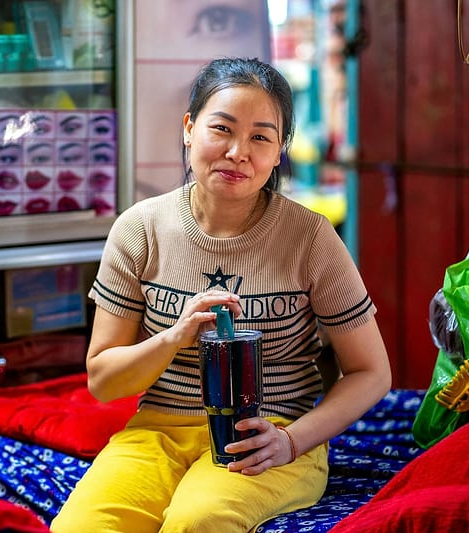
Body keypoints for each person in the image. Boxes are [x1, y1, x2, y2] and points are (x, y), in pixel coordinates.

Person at [50, 57, 391, 533]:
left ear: (279, 152)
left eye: (260, 137)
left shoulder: (310, 237)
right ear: (189, 129)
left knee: (199, 521)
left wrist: (291, 442)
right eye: (221, 129)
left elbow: (371, 372)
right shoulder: (139, 228)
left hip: (265, 437)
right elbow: (104, 381)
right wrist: (175, 336)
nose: (237, 152)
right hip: (157, 432)